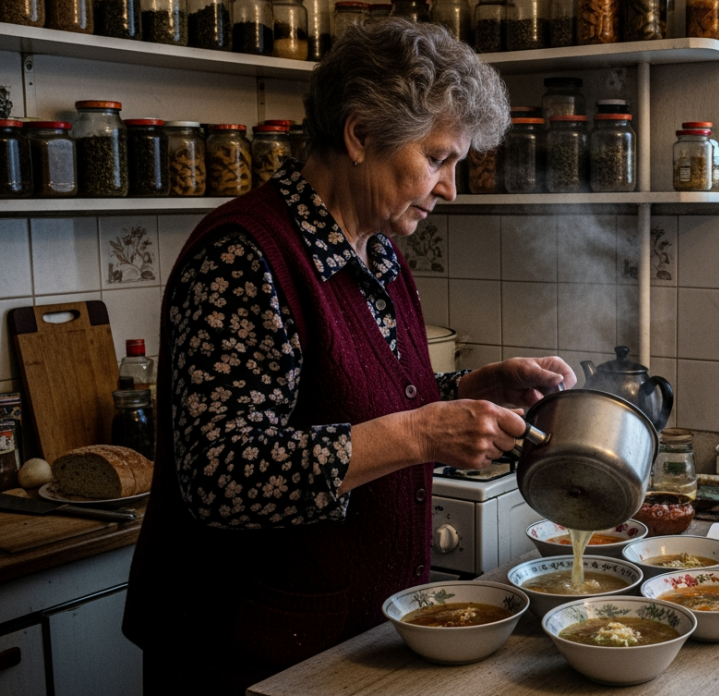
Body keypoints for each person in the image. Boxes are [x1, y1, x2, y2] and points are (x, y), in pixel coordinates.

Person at [122, 20, 573, 694]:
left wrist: (467, 386)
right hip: (246, 656)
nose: (451, 187)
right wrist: (423, 432)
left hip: (353, 641)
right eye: (439, 158)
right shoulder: (244, 257)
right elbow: (221, 476)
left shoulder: (378, 250)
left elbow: (344, 395)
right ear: (361, 135)